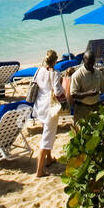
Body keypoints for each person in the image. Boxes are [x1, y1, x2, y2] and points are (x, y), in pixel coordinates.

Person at [30, 49, 61, 177]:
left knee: (46, 132)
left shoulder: (39, 71)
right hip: (50, 107)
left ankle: (49, 159)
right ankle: (39, 171)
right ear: (55, 61)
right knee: (47, 138)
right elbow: (58, 91)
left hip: (39, 106)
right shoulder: (55, 73)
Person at [64, 49, 104, 116]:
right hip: (82, 108)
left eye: (92, 63)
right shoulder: (77, 75)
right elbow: (74, 95)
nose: (91, 65)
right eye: (89, 63)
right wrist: (87, 94)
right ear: (83, 61)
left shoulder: (97, 72)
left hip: (96, 106)